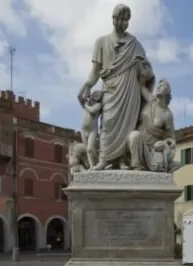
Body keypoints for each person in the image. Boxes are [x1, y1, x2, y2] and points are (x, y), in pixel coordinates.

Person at [77, 4, 154, 171]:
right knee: (108, 124)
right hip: (111, 91)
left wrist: (146, 71)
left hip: (129, 90)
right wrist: (87, 84)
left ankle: (122, 161)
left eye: (127, 20)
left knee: (128, 126)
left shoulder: (134, 44)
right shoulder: (102, 42)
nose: (124, 23)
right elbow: (95, 71)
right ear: (113, 19)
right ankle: (105, 159)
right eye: (121, 19)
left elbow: (146, 69)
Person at [127, 79, 181, 173]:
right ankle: (136, 166)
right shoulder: (150, 100)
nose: (158, 87)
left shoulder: (167, 115)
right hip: (137, 143)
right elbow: (141, 84)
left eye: (162, 85)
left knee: (135, 135)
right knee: (134, 135)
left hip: (152, 148)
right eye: (158, 85)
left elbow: (171, 139)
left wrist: (164, 144)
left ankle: (138, 168)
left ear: (167, 92)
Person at [80, 90, 103, 168]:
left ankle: (94, 165)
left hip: (92, 130)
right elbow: (79, 96)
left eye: (98, 95)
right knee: (88, 150)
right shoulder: (87, 103)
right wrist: (86, 87)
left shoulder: (98, 105)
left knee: (90, 149)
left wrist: (86, 105)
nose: (96, 95)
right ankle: (91, 166)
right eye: (95, 94)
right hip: (83, 129)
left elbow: (92, 110)